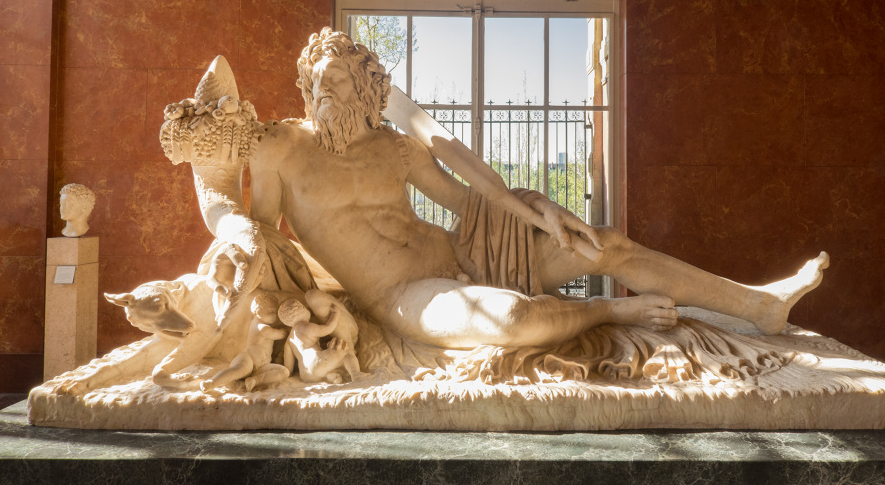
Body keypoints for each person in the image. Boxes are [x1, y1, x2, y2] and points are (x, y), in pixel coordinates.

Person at [201, 28, 828, 351]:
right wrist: (232, 234)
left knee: (602, 243)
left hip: (460, 251)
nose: (321, 92)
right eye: (314, 81)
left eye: (335, 80)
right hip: (402, 294)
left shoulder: (395, 147)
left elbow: (465, 199)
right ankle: (608, 309)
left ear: (365, 91)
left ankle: (759, 305)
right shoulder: (281, 148)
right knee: (512, 318)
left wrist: (538, 208)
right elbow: (262, 235)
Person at [200, 293, 290, 392]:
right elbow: (279, 334)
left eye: (276, 312)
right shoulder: (261, 327)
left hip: (261, 366)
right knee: (239, 370)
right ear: (259, 312)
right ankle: (212, 382)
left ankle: (254, 381)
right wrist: (287, 330)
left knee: (283, 372)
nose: (275, 315)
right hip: (247, 359)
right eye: (271, 311)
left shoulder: (264, 324)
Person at [278, 299, 363, 384]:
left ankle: (331, 376)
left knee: (327, 364)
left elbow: (288, 368)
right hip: (316, 363)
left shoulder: (289, 340)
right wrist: (335, 314)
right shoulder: (307, 327)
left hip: (306, 375)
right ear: (302, 310)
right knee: (346, 351)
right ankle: (356, 375)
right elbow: (328, 329)